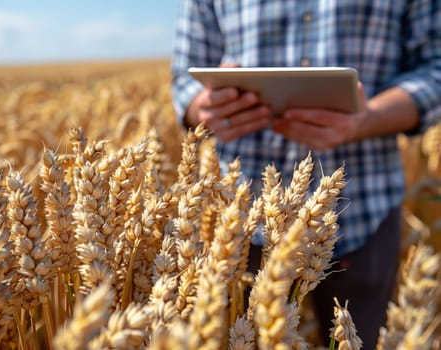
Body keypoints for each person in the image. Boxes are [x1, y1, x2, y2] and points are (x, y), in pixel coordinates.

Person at [171, 1, 441, 348]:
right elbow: (184, 80)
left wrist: (369, 117)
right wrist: (203, 106)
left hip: (363, 212)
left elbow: (436, 69)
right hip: (240, 225)